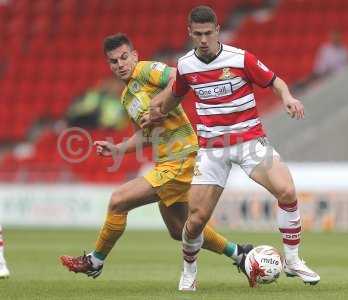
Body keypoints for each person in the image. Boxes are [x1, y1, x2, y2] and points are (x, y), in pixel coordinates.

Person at [146, 6, 320, 290]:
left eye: (208, 33)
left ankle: (292, 259)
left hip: (249, 140)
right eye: (198, 34)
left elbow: (275, 82)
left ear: (217, 30)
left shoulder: (240, 59)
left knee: (287, 190)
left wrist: (287, 97)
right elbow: (175, 95)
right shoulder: (186, 65)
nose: (203, 39)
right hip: (212, 148)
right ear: (190, 33)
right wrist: (158, 111)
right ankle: (189, 271)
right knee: (196, 220)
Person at [59, 33, 252, 279]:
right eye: (113, 61)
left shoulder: (145, 69)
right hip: (167, 161)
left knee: (118, 200)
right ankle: (240, 254)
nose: (120, 65)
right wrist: (117, 148)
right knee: (179, 230)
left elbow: (177, 77)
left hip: (182, 157)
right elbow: (144, 136)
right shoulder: (127, 96)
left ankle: (95, 262)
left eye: (124, 57)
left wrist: (160, 104)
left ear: (135, 55)